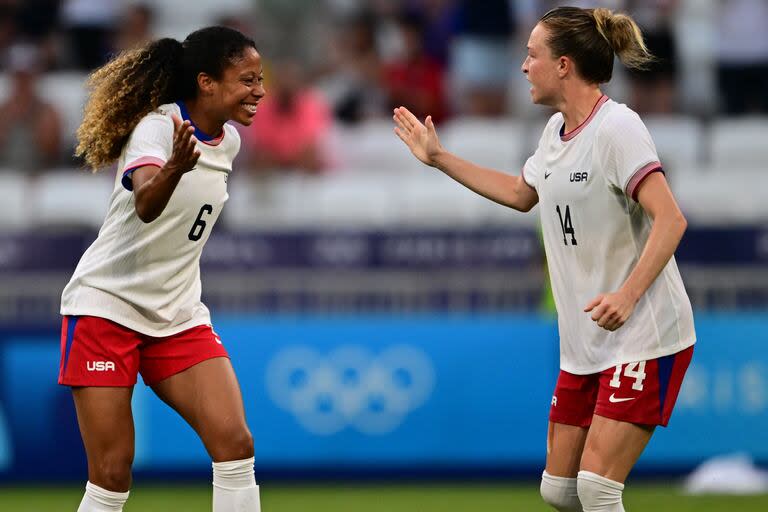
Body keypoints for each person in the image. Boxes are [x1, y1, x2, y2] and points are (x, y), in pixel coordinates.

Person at [393, 7, 695, 511]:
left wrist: (627, 294)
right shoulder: (555, 131)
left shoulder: (617, 127)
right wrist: (440, 158)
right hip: (586, 345)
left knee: (598, 489)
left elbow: (671, 219)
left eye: (532, 55)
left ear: (563, 65)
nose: (522, 66)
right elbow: (519, 192)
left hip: (645, 334)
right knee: (559, 491)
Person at [58, 26, 265, 512]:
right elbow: (148, 203)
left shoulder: (228, 142)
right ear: (207, 82)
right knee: (111, 475)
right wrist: (174, 167)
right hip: (105, 309)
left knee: (236, 445)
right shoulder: (157, 127)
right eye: (247, 79)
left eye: (260, 79)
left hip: (177, 315)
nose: (259, 91)